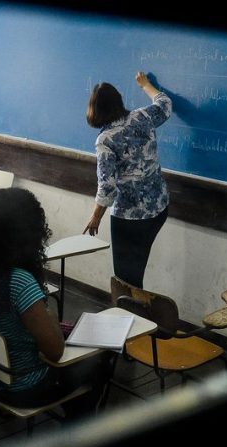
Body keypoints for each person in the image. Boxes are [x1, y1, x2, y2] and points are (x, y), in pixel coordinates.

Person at [0, 188, 108, 415]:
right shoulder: (18, 282)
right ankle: (76, 433)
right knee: (98, 365)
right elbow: (55, 352)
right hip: (24, 388)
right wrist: (48, 314)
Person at [83, 71, 173, 288]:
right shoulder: (142, 116)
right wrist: (145, 85)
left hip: (130, 218)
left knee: (126, 282)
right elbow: (165, 103)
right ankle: (138, 316)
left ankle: (133, 319)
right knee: (135, 275)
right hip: (159, 208)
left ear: (95, 109)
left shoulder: (105, 140)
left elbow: (107, 186)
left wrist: (96, 217)